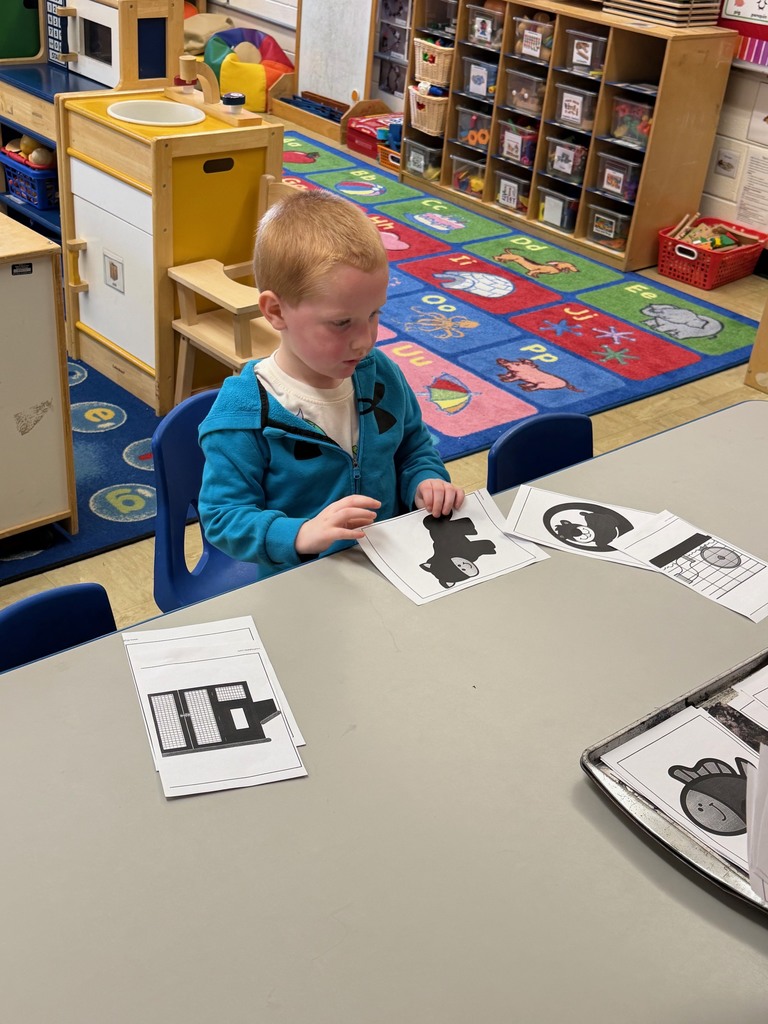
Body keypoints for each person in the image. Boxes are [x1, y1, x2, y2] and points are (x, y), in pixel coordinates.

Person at [198, 188, 464, 577]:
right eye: (342, 322)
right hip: (303, 580)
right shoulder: (245, 415)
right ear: (276, 311)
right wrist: (301, 534)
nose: (365, 339)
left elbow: (412, 446)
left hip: (392, 563)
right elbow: (224, 517)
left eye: (374, 314)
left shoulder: (379, 374)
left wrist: (425, 481)